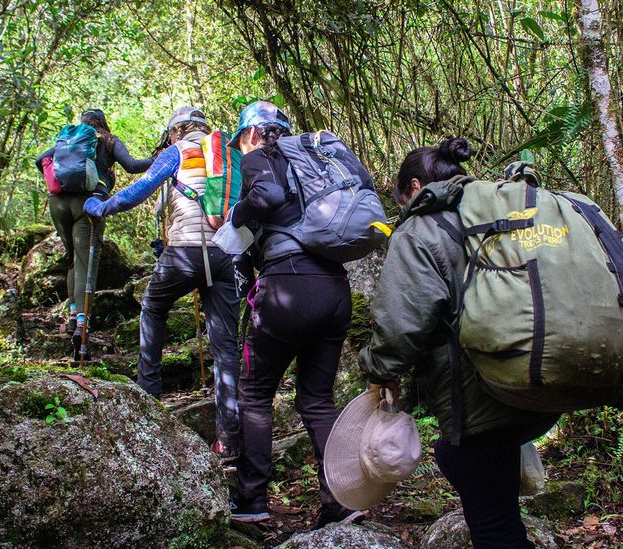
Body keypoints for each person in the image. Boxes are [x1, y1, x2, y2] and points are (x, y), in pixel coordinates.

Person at [358, 138, 561, 548]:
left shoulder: (420, 230)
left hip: (477, 396)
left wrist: (377, 371)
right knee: (497, 506)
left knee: (493, 524)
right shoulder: (499, 214)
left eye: (400, 198)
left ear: (414, 187)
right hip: (529, 377)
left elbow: (402, 327)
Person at [225, 101, 360, 528]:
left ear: (250, 134)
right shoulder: (314, 165)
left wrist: (237, 213)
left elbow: (267, 197)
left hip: (289, 286)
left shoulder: (259, 157)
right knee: (318, 400)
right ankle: (341, 498)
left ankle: (250, 500)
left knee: (255, 394)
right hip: (335, 290)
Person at [82, 106, 242, 464]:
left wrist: (102, 206)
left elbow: (140, 189)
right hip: (224, 255)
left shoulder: (178, 151)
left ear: (177, 131)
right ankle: (229, 440)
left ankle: (147, 397)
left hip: (185, 253)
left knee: (153, 308)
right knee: (226, 346)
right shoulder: (228, 154)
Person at [35, 109, 153, 349]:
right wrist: (158, 159)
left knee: (71, 259)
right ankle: (82, 323)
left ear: (83, 124)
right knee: (85, 262)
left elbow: (41, 160)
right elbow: (131, 165)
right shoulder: (108, 140)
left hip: (58, 202)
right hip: (89, 202)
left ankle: (72, 316)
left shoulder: (70, 140)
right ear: (103, 124)